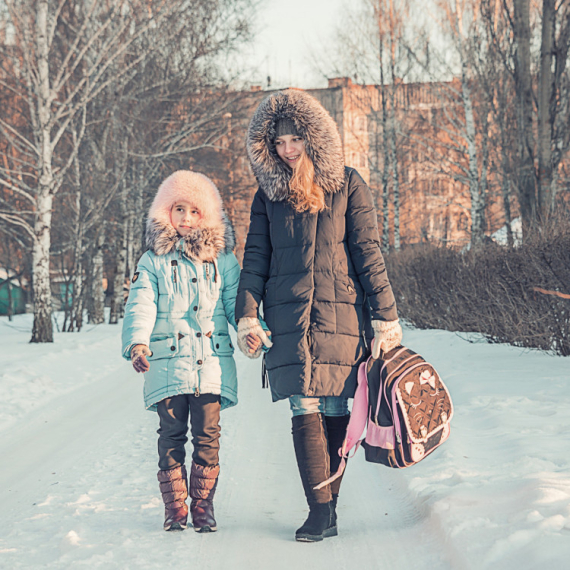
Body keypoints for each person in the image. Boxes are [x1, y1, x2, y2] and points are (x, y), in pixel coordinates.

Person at [235, 89, 402, 542]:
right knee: (302, 406)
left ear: (313, 138)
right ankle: (318, 510)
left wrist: (385, 318)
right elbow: (255, 259)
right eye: (279, 143)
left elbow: (368, 254)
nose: (287, 150)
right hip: (288, 315)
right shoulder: (267, 196)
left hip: (339, 314)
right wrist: (248, 315)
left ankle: (329, 510)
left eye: (295, 140)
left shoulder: (347, 184)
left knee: (333, 406)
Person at [122, 170, 254, 533]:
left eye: (193, 210)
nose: (185, 218)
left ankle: (203, 507)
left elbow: (233, 304)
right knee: (171, 435)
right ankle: (175, 508)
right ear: (165, 212)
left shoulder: (223, 260)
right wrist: (137, 342)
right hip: (167, 364)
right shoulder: (153, 261)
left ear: (206, 214)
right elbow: (141, 305)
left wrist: (250, 329)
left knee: (208, 437)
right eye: (177, 209)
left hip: (211, 363)